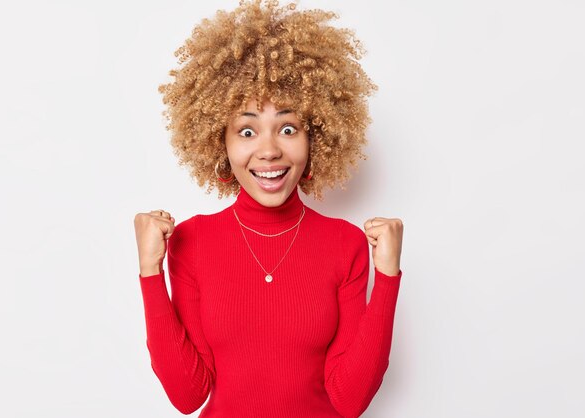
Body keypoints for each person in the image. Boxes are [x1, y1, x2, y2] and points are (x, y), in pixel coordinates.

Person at [133, 1, 404, 417]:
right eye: (246, 130)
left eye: (288, 128)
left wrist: (387, 278)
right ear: (218, 141)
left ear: (317, 137)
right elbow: (188, 397)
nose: (269, 150)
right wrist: (150, 272)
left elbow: (349, 401)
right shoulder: (191, 241)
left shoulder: (345, 244)